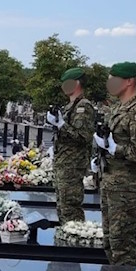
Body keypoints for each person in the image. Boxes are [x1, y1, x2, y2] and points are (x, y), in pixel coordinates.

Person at [93, 62, 136, 266]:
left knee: (122, 247)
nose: (109, 84)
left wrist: (116, 149)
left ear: (129, 81)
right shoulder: (117, 109)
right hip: (110, 182)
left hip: (126, 187)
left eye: (114, 80)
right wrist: (101, 153)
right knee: (110, 242)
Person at [46, 68, 96, 225]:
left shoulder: (83, 106)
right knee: (62, 207)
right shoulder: (69, 106)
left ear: (77, 84)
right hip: (63, 162)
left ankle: (75, 242)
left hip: (73, 165)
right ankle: (66, 238)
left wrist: (61, 125)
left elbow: (82, 137)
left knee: (71, 208)